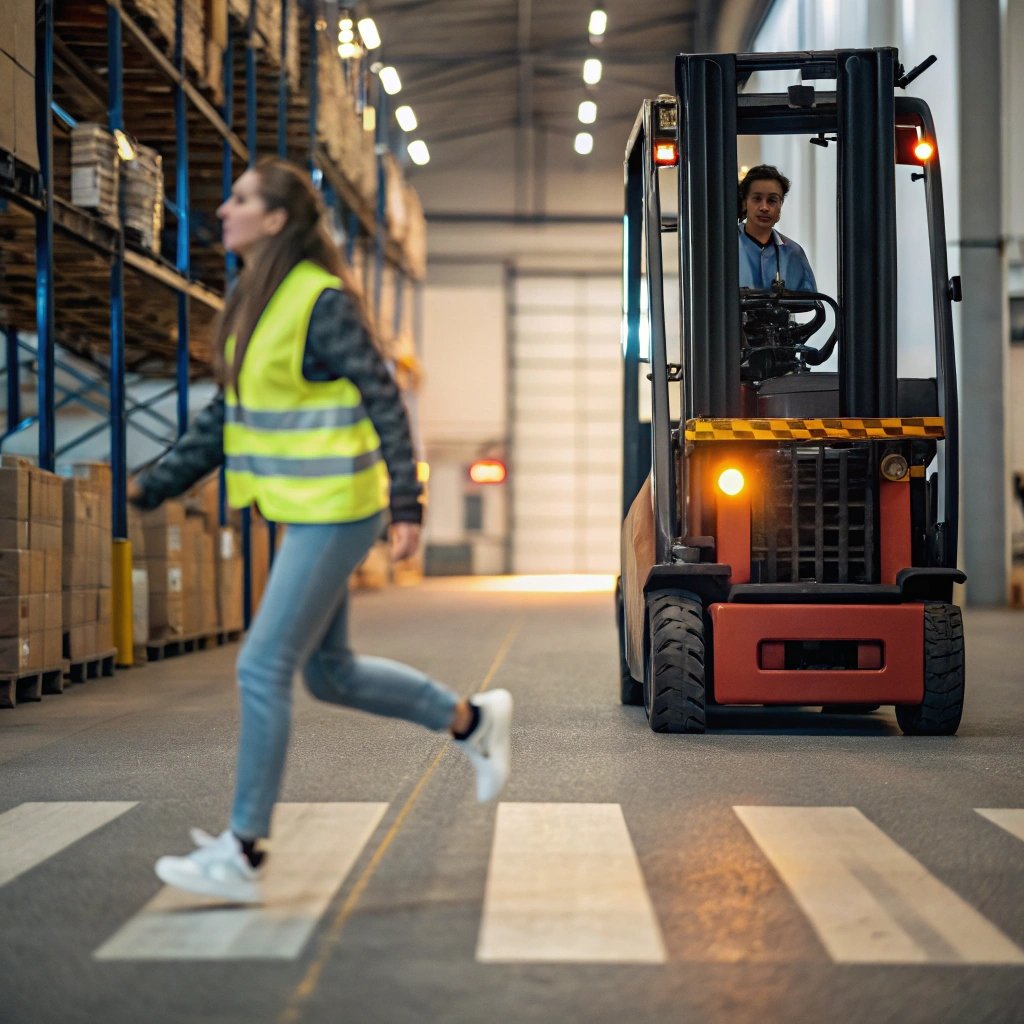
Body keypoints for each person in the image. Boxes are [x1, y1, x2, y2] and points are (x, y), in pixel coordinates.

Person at [129, 156, 513, 905]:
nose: (223, 209)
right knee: (326, 673)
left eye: (239, 199)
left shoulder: (320, 301)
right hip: (305, 506)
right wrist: (160, 482)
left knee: (261, 665)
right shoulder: (258, 301)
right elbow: (227, 417)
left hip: (339, 506)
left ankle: (243, 851)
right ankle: (470, 721)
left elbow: (382, 393)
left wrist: (408, 503)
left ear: (275, 220)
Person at [737, 164, 817, 292]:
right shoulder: (726, 248)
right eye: (757, 199)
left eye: (772, 200)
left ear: (780, 205)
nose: (764, 207)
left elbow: (809, 299)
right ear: (744, 203)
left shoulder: (793, 252)